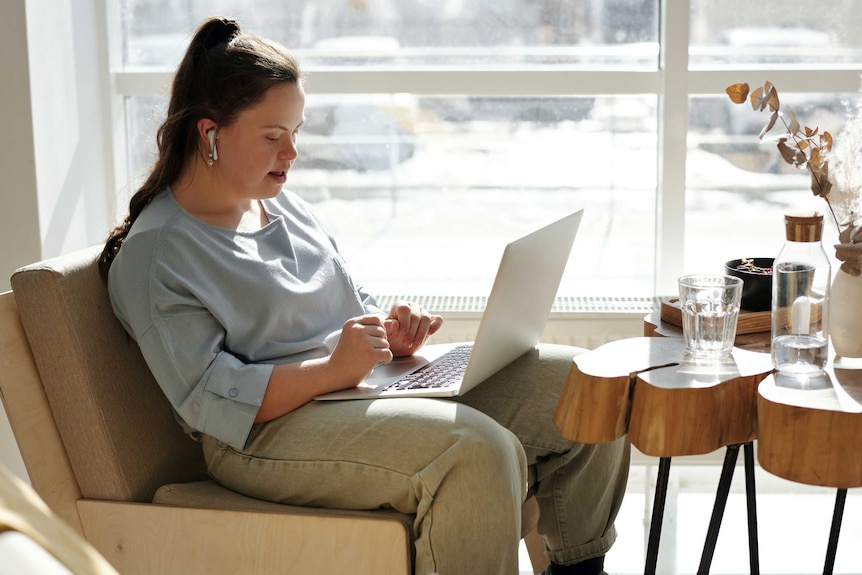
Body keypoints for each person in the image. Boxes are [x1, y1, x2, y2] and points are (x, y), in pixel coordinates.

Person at [99, 16, 630, 575]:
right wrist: (334, 369)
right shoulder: (157, 256)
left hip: (356, 390)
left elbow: (350, 304)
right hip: (262, 436)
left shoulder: (281, 205)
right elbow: (211, 401)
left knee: (588, 387)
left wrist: (388, 332)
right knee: (474, 453)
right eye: (272, 136)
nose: (292, 153)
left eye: (296, 132)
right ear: (209, 134)